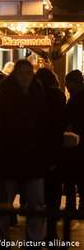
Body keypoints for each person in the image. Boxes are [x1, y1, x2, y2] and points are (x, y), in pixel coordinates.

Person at [0, 59, 48, 244]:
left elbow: (44, 127)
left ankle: (32, 240)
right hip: (10, 156)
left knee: (33, 204)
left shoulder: (37, 96)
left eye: (29, 73)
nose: (26, 77)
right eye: (22, 73)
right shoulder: (5, 98)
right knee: (6, 202)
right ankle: (4, 239)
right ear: (15, 75)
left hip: (30, 157)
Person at [35, 68, 68, 241]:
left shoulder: (40, 96)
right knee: (53, 193)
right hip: (55, 151)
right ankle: (51, 231)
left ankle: (42, 233)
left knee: (42, 194)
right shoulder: (57, 95)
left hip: (43, 151)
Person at [63, 70, 84, 214]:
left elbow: (68, 122)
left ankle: (71, 208)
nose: (67, 87)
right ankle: (82, 207)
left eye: (67, 84)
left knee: (71, 177)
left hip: (75, 143)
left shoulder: (74, 100)